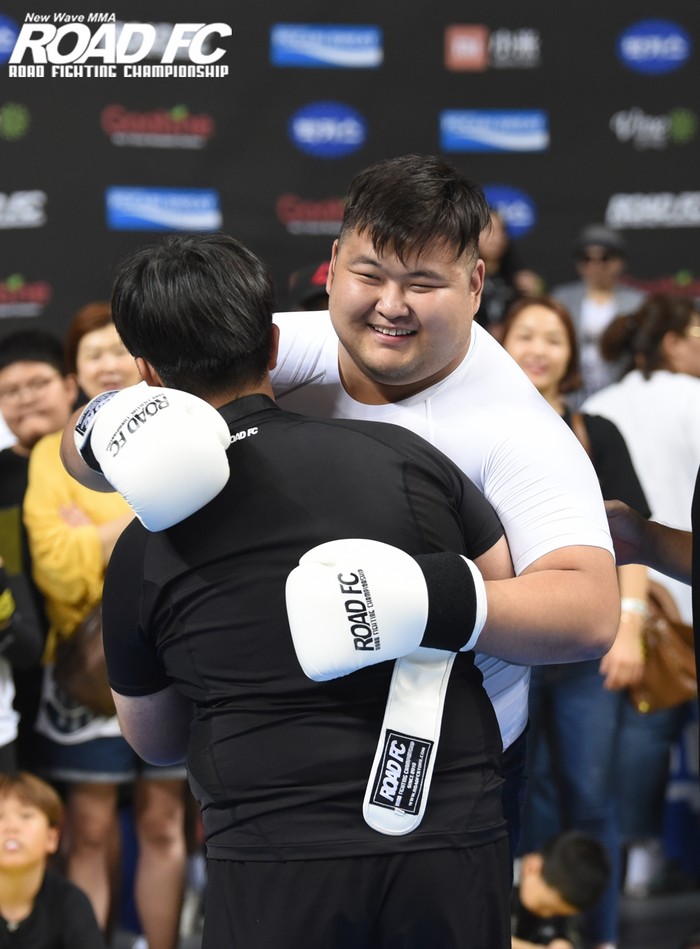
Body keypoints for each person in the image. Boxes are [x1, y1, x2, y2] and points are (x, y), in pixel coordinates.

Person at [60, 232, 618, 948]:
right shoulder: (409, 460)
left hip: (272, 851)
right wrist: (425, 609)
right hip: (444, 826)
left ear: (145, 371)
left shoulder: (144, 546)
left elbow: (157, 740)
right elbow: (504, 596)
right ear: (273, 345)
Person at [269, 153, 620, 858]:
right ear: (332, 266)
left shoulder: (515, 425)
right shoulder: (283, 349)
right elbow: (99, 435)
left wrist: (424, 602)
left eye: (423, 283)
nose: (391, 305)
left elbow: (590, 613)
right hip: (285, 751)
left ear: (475, 284)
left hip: (450, 771)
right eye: (370, 274)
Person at [23, 304, 186, 948]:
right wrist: (149, 515)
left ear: (143, 359)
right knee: (88, 828)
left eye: (118, 349)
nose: (107, 364)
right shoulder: (50, 454)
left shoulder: (183, 434)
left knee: (164, 822)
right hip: (86, 673)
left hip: (174, 652)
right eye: (91, 354)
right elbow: (59, 571)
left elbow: (195, 540)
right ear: (75, 375)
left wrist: (93, 534)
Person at [500, 296, 650, 949]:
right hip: (510, 646)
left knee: (592, 798)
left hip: (589, 648)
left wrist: (630, 626)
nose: (538, 349)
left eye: (553, 338)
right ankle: (527, 934)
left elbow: (634, 537)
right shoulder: (474, 424)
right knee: (523, 798)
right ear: (500, 341)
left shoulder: (597, 432)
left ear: (571, 355)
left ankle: (601, 937)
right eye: (526, 334)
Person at [583, 293, 700, 896]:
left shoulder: (598, 405)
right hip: (677, 580)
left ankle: (638, 854)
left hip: (626, 586)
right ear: (672, 343)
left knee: (643, 729)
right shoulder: (694, 397)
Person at [0, 330, 79, 774]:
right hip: (19, 662)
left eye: (37, 384)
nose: (25, 398)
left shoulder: (102, 461)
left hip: (90, 651)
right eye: (10, 391)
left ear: (69, 385)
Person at [0, 769, 106, 947]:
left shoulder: (71, 903)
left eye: (26, 816)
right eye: (0, 816)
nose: (11, 827)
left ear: (52, 838)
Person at [550, 223, 645, 406]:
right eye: (586, 258)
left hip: (622, 397)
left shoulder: (637, 303)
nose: (595, 266)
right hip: (571, 396)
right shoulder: (562, 299)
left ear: (620, 262)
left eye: (605, 258)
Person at [511, 831, 611, 949]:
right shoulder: (500, 886)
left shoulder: (568, 903)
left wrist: (564, 943)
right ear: (533, 867)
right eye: (545, 907)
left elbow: (570, 934)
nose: (547, 915)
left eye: (557, 913)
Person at [477, 209, 542, 338]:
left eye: (500, 231)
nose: (495, 237)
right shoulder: (463, 277)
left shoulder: (520, 278)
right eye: (489, 230)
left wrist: (535, 294)